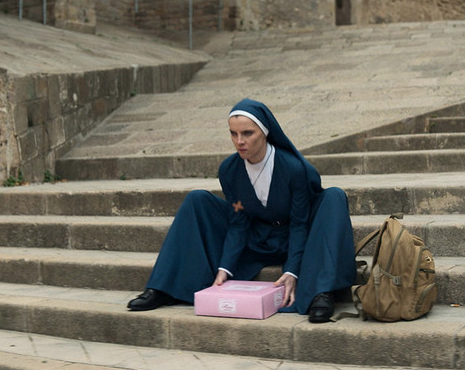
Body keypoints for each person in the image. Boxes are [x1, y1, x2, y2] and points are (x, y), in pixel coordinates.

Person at [127, 98, 356, 322]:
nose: (239, 141)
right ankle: (164, 287)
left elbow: (300, 223)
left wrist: (293, 271)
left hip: (298, 237)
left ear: (265, 132)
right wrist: (225, 267)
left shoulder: (294, 169)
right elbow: (238, 219)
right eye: (233, 134)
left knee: (334, 196)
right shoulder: (229, 170)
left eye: (248, 133)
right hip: (256, 237)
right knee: (196, 200)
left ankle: (321, 293)